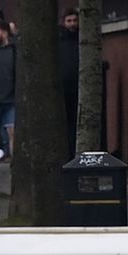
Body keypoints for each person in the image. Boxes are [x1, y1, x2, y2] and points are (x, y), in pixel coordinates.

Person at [0, 19, 17, 160]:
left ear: (5, 33)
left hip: (10, 99)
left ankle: (15, 164)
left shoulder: (14, 50)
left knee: (12, 132)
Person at [57, 8, 80, 156]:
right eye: (69, 21)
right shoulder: (59, 42)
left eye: (74, 21)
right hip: (64, 89)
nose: (72, 24)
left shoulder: (82, 40)